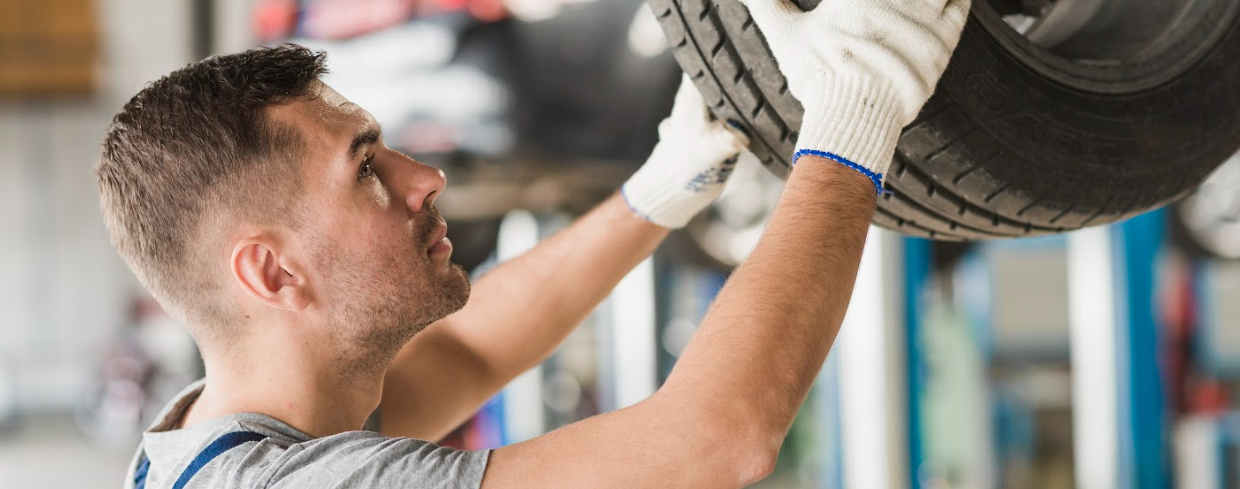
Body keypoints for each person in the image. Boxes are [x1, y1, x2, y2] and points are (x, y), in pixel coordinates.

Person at [97, 0, 968, 486]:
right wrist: (857, 116)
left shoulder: (216, 446)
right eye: (366, 170)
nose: (423, 177)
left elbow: (469, 351)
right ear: (272, 270)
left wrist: (659, 190)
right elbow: (714, 440)